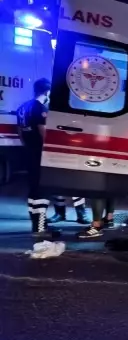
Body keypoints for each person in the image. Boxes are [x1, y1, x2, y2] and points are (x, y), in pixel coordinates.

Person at [16, 79, 58, 238]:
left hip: (28, 152)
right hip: (40, 154)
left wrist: (27, 145)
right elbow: (44, 133)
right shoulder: (40, 109)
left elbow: (20, 131)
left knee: (33, 189)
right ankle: (40, 228)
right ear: (47, 92)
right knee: (42, 191)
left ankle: (36, 224)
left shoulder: (22, 108)